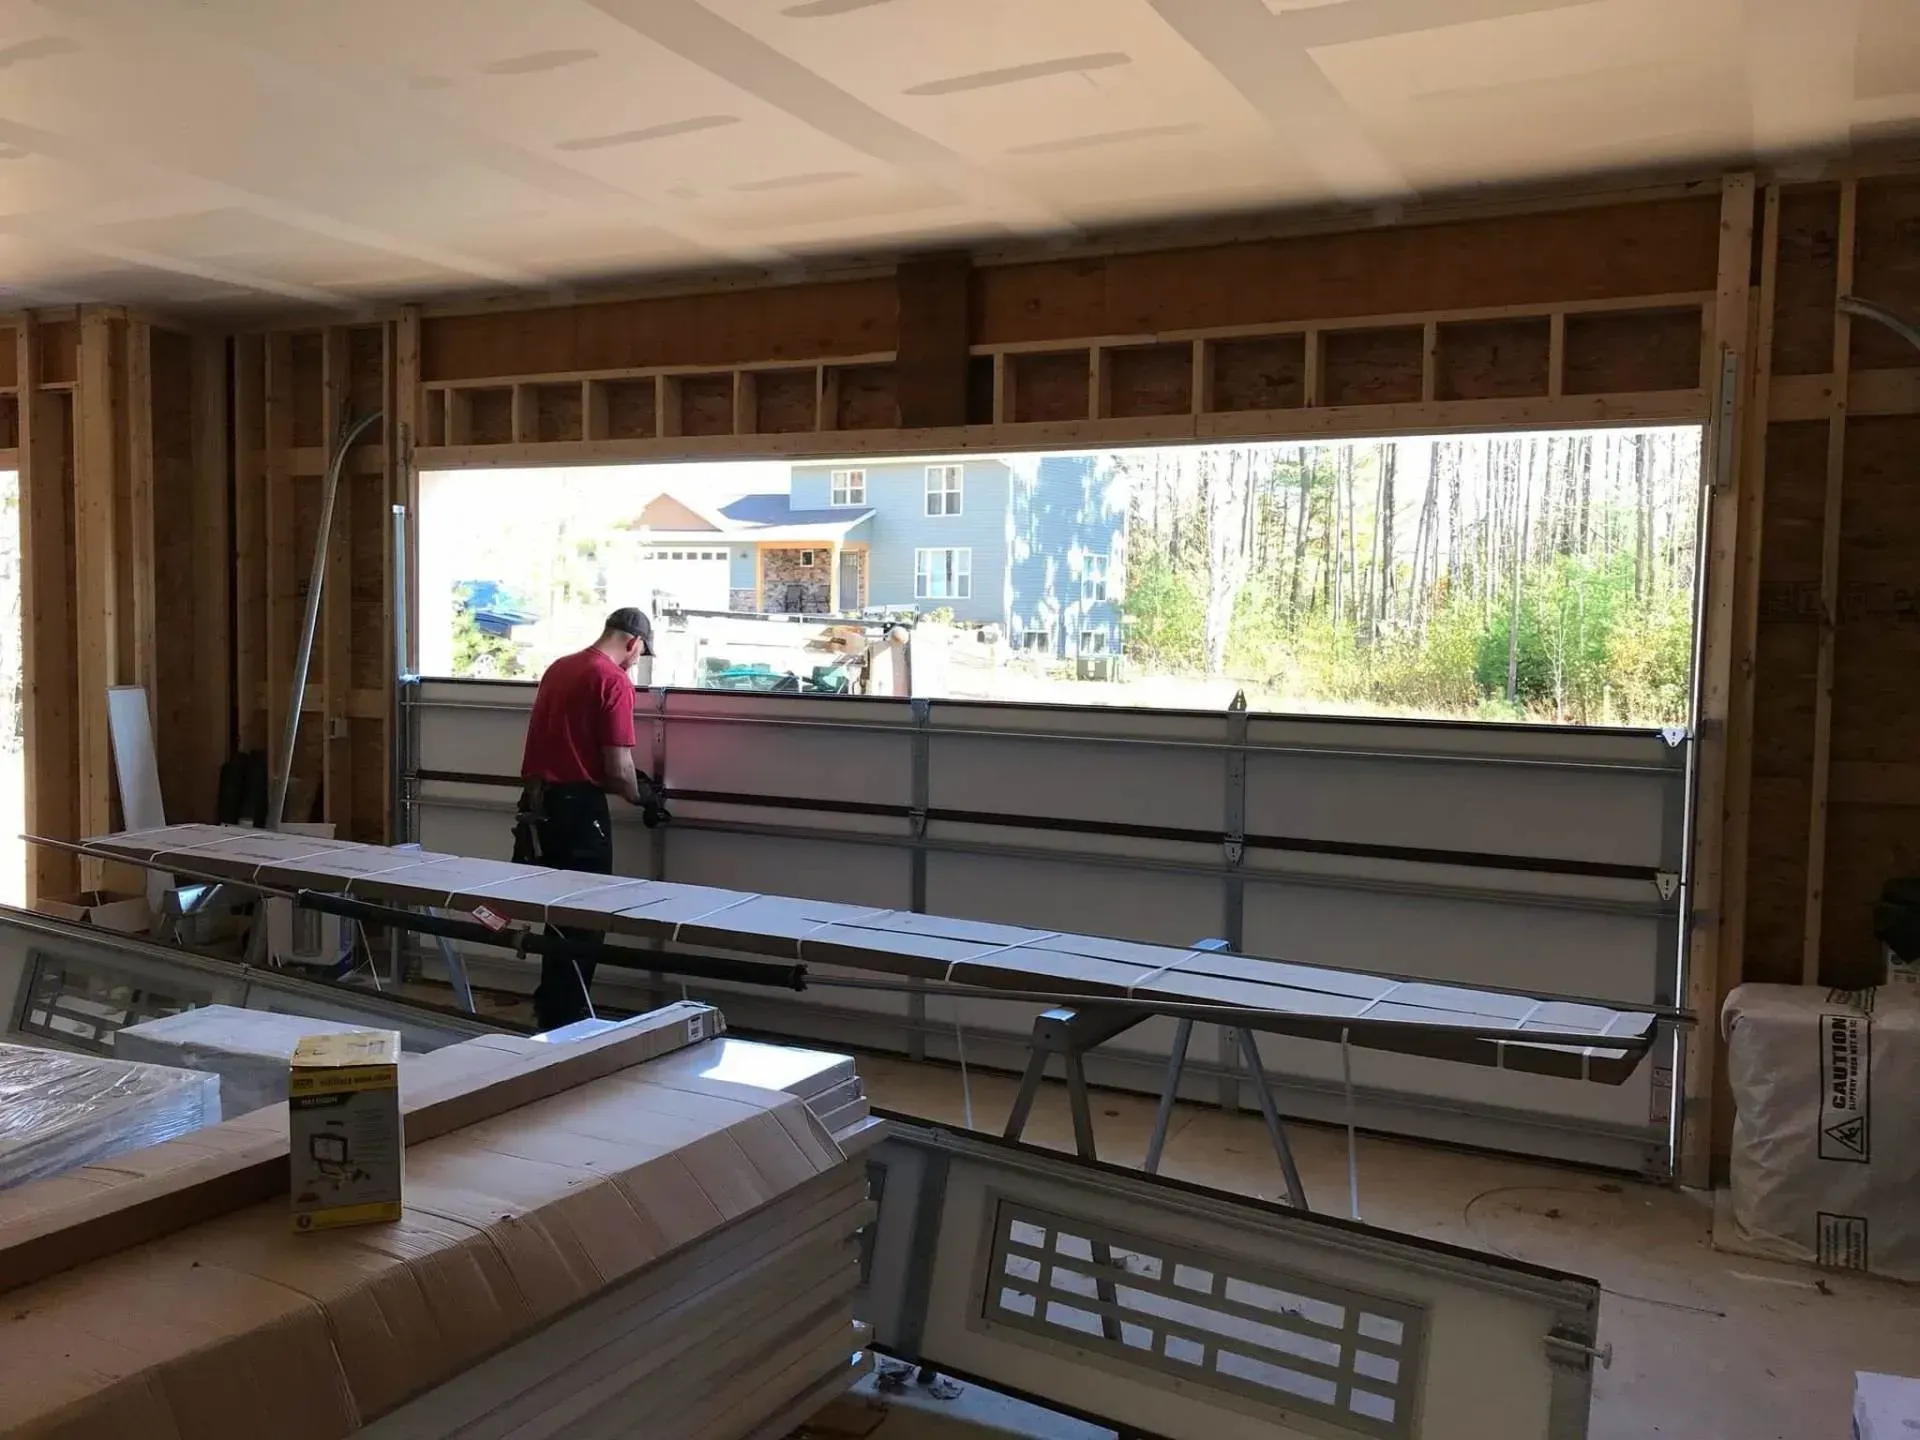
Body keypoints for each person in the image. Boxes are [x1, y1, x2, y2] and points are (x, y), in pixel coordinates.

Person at [513, 607, 669, 1031]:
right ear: (633, 642)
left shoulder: (559, 668)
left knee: (556, 913)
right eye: (639, 653)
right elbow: (618, 768)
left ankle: (551, 1007)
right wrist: (645, 799)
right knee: (586, 916)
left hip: (538, 807)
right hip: (579, 811)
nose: (636, 661)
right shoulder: (613, 680)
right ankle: (571, 1018)